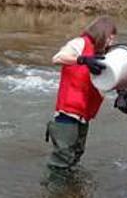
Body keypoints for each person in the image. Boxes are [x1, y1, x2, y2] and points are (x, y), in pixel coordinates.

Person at [46, 16, 117, 170]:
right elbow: (57, 58)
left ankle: (70, 192)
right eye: (110, 38)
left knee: (75, 155)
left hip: (84, 115)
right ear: (102, 33)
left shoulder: (103, 55)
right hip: (67, 113)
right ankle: (55, 191)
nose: (111, 43)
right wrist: (83, 60)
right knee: (62, 158)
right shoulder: (80, 43)